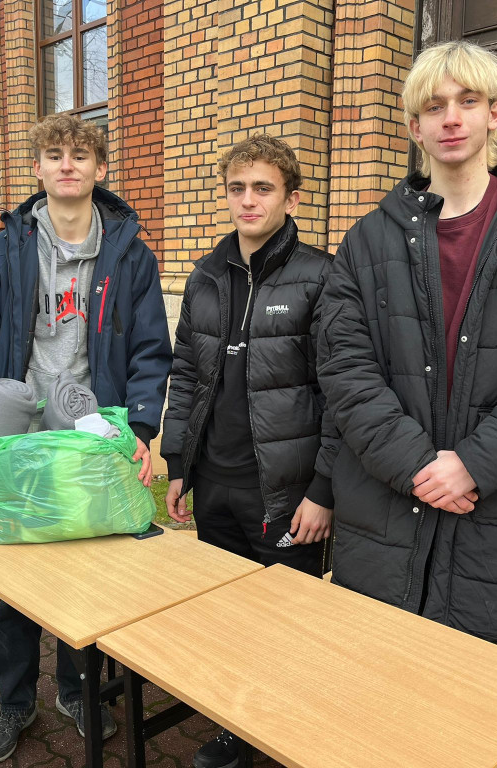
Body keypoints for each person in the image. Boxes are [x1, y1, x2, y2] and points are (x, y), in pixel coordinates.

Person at [315, 41, 497, 659]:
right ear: (413, 126)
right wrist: (420, 467)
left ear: (494, 113)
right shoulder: (368, 239)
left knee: (481, 705)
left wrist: (472, 463)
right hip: (386, 504)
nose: (451, 117)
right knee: (377, 691)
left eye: (467, 101)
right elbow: (346, 368)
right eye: (434, 105)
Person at [0, 114, 171, 763]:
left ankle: (79, 693)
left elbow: (152, 351)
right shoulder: (4, 251)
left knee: (86, 575)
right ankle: (14, 702)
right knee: (19, 583)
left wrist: (143, 429)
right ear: (39, 169)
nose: (68, 164)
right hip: (20, 440)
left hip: (91, 443)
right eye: (55, 154)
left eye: (81, 154)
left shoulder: (129, 252)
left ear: (100, 169)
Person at [160, 133, 336, 768]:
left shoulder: (320, 275)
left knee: (288, 615)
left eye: (263, 187)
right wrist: (178, 465)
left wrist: (323, 489)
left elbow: (341, 392)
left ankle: (290, 732)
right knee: (231, 611)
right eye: (237, 187)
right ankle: (238, 725)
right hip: (216, 479)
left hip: (284, 490)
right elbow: (185, 374)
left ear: (290, 195)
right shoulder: (207, 275)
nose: (248, 200)